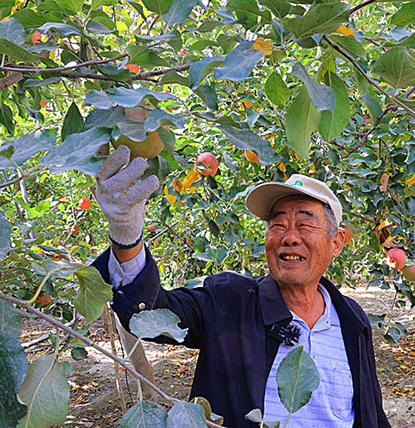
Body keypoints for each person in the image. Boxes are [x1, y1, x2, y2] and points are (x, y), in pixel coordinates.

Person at [92, 146, 391, 428]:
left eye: (304, 224)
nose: (288, 237)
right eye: (277, 224)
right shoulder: (229, 300)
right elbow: (152, 312)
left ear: (336, 242)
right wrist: (126, 235)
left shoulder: (352, 319)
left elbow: (369, 411)